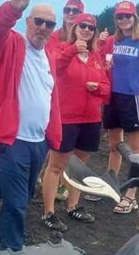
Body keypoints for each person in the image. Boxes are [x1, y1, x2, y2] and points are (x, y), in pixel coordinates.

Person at [0, 0, 62, 253]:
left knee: (23, 198)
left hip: (37, 142)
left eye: (49, 24)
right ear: (28, 21)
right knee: (16, 202)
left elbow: (50, 97)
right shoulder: (11, 46)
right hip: (11, 139)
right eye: (38, 21)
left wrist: (52, 136)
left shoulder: (49, 56)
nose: (43, 27)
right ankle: (13, 253)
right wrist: (13, 9)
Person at [40, 13, 109, 231]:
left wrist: (97, 88)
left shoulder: (96, 57)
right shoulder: (62, 49)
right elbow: (54, 69)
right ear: (74, 28)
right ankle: (49, 212)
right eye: (82, 26)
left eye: (91, 27)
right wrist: (72, 50)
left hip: (91, 119)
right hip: (66, 119)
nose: (86, 30)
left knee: (79, 166)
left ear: (94, 32)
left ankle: (73, 206)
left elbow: (107, 87)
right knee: (56, 166)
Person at [103, 1, 139, 214]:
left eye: (127, 16)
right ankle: (111, 186)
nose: (124, 20)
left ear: (135, 18)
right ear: (116, 19)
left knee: (135, 150)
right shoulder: (112, 41)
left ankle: (131, 195)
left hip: (133, 98)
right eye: (120, 16)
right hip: (113, 96)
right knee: (114, 146)